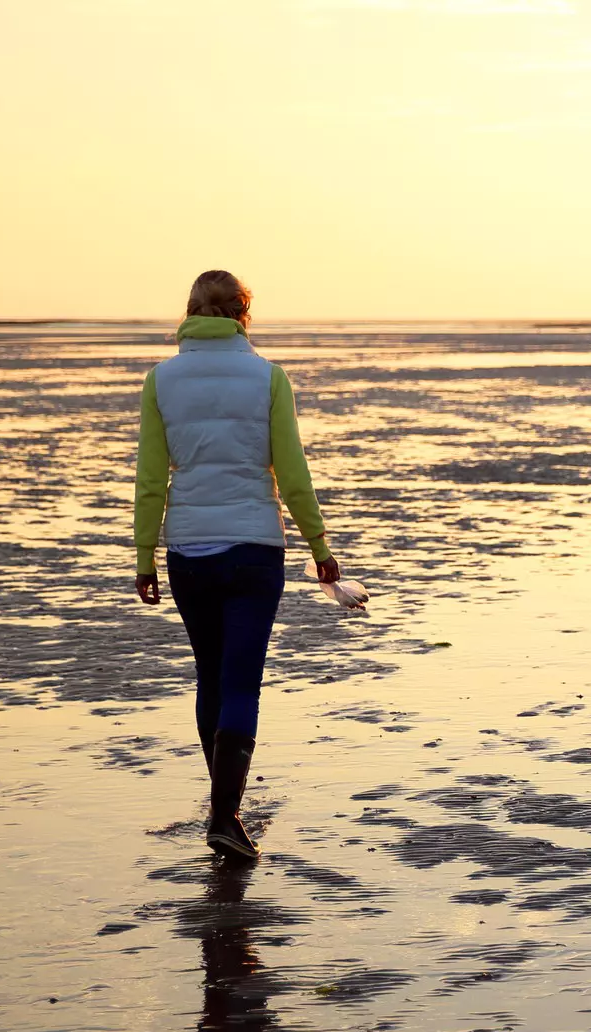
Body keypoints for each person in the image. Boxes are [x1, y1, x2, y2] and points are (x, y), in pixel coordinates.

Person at [133, 270, 339, 861]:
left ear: (192, 311)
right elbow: (292, 474)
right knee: (241, 681)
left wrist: (144, 555)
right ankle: (225, 816)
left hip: (188, 552)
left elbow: (151, 479)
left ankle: (226, 810)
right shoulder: (268, 377)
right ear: (244, 314)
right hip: (254, 548)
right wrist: (320, 549)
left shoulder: (161, 380)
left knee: (211, 677)